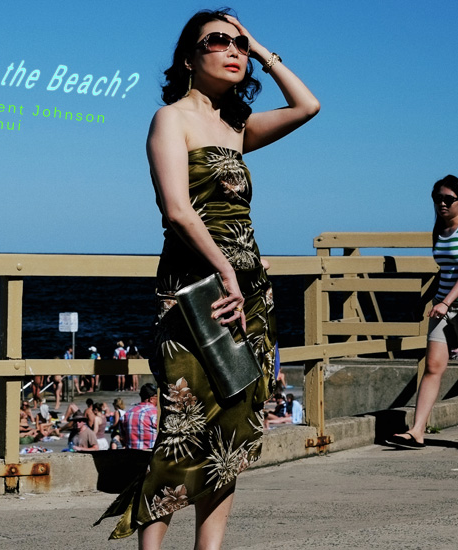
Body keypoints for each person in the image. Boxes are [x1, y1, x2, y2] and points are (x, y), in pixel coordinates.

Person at [95, 9, 318, 546]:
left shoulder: (236, 127)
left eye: (239, 43)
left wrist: (260, 46)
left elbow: (307, 106)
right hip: (197, 293)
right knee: (183, 431)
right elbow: (176, 209)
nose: (233, 50)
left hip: (249, 295)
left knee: (235, 431)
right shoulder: (171, 119)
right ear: (189, 58)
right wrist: (224, 269)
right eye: (217, 41)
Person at [388, 175, 458, 449]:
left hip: (450, 305)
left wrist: (446, 302)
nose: (441, 204)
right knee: (432, 367)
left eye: (448, 199)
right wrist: (429, 298)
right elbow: (446, 270)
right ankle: (417, 431)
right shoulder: (440, 231)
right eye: (437, 198)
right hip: (444, 307)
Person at [121, 383, 159, 450]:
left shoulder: (127, 413)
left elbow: (123, 437)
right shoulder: (155, 414)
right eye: (157, 397)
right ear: (151, 399)